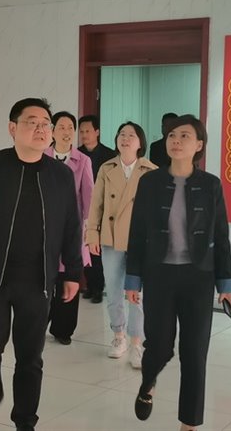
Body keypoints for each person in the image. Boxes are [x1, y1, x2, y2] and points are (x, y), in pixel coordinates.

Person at [0, 98, 83, 431]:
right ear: (13, 128)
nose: (41, 129)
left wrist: (72, 272)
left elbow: (71, 227)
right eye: (31, 122)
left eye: (45, 123)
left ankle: (25, 421)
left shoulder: (61, 175)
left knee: (30, 358)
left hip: (38, 282)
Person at [125, 114, 231, 431]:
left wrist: (225, 284)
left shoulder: (210, 185)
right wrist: (133, 278)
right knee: (159, 345)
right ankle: (148, 382)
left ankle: (190, 423)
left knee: (195, 352)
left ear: (199, 145)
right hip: (159, 275)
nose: (176, 141)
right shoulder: (150, 182)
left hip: (198, 278)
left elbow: (221, 236)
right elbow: (137, 232)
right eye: (172, 135)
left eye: (185, 136)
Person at [86, 121, 157, 368]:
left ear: (140, 143)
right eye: (122, 134)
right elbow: (96, 204)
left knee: (137, 293)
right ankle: (118, 335)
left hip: (140, 241)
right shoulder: (107, 168)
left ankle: (137, 342)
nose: (125, 138)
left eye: (131, 135)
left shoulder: (151, 170)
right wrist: (92, 235)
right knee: (114, 289)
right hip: (111, 238)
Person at [44, 111, 94, 345]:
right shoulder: (42, 156)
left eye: (70, 128)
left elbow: (89, 197)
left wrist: (88, 229)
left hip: (70, 229)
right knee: (43, 278)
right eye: (61, 127)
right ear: (52, 131)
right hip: (43, 227)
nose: (66, 132)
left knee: (68, 277)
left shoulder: (83, 160)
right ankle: (39, 322)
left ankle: (63, 329)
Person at [77, 115, 116, 303]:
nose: (84, 135)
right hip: (82, 207)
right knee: (84, 247)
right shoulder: (77, 154)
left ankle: (99, 288)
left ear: (97, 132)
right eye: (82, 131)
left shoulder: (109, 156)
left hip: (102, 208)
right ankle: (90, 285)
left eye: (88, 131)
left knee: (97, 249)